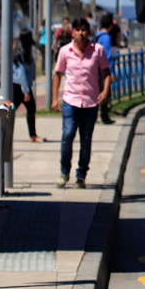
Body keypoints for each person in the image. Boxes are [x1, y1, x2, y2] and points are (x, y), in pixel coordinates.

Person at [51, 18, 111, 189]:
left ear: (89, 32)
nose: (81, 33)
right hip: (70, 101)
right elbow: (57, 75)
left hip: (91, 103)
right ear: (72, 32)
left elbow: (106, 72)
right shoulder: (65, 51)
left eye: (84, 30)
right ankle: (64, 171)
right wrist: (55, 99)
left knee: (86, 140)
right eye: (77, 30)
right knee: (67, 135)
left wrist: (105, 91)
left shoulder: (97, 50)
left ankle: (81, 174)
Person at [11, 31, 44, 142]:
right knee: (12, 109)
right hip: (19, 86)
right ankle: (32, 135)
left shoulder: (23, 51)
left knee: (13, 109)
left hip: (20, 86)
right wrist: (26, 91)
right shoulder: (21, 54)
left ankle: (33, 135)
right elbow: (22, 74)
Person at [96, 12, 116, 125]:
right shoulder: (106, 37)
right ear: (111, 26)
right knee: (105, 91)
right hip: (103, 68)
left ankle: (100, 114)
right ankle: (105, 115)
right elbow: (108, 55)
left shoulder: (97, 35)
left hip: (96, 66)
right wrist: (111, 72)